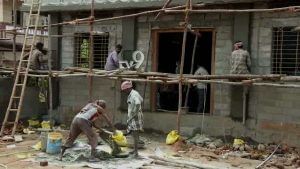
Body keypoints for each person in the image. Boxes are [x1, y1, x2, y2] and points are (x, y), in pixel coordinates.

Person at [121, 81, 144, 158]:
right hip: (133, 117)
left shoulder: (134, 94)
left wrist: (135, 113)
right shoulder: (133, 93)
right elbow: (142, 99)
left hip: (135, 117)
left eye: (124, 90)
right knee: (133, 135)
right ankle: (135, 150)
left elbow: (138, 103)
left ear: (128, 88)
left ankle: (136, 153)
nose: (124, 92)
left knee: (135, 135)